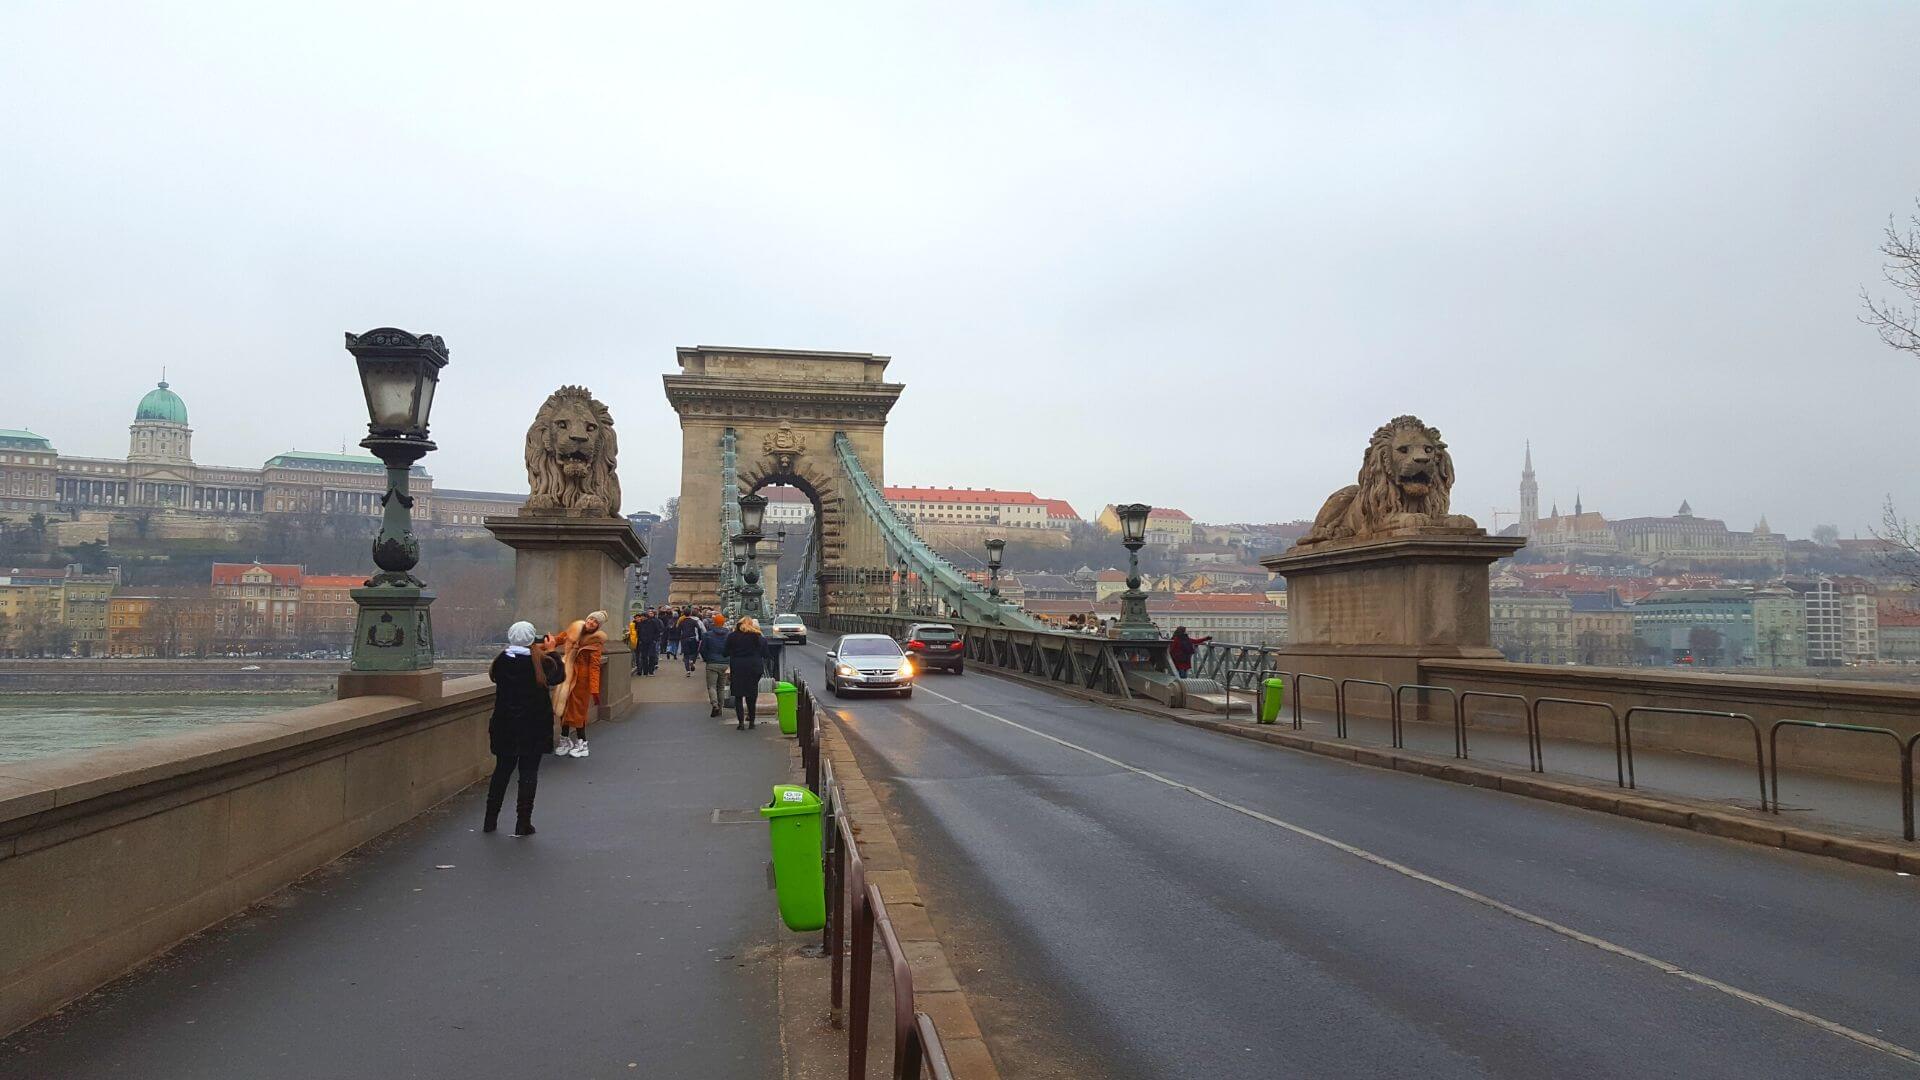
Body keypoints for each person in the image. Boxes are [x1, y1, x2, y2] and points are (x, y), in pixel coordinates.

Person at [485, 621, 564, 836]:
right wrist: (553, 651)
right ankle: (523, 822)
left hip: (505, 726)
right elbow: (559, 677)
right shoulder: (543, 662)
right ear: (532, 640)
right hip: (534, 728)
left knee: (501, 772)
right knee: (528, 774)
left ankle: (490, 820)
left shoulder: (500, 662)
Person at [550, 610, 608, 758]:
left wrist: (594, 689)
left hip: (581, 681)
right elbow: (557, 640)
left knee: (577, 713)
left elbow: (594, 666)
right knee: (563, 708)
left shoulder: (595, 642)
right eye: (591, 619)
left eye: (596, 622)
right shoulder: (574, 630)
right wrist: (540, 645)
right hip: (566, 675)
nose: (592, 622)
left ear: (598, 626)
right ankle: (565, 740)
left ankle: (582, 743)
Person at [726, 615, 766, 730]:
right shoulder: (758, 637)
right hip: (754, 668)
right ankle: (752, 721)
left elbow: (725, 652)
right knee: (751, 695)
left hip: (738, 668)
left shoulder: (732, 636)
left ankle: (741, 722)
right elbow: (766, 653)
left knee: (738, 696)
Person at [699, 612, 733, 718]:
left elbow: (702, 649)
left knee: (711, 686)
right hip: (725, 663)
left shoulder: (707, 635)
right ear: (723, 623)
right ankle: (720, 708)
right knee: (721, 687)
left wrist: (706, 659)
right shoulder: (729, 635)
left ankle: (714, 704)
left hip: (712, 663)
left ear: (714, 622)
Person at [636, 607, 663, 676]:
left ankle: (651, 671)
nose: (641, 618)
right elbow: (638, 633)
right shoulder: (640, 624)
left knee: (651, 656)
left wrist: (655, 640)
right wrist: (640, 640)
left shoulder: (653, 622)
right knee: (644, 657)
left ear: (646, 617)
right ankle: (645, 671)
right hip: (643, 642)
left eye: (642, 617)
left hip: (651, 641)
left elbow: (657, 631)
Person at [676, 608, 702, 676]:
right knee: (693, 652)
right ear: (690, 613)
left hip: (684, 638)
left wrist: (680, 638)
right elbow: (699, 628)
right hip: (692, 638)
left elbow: (678, 630)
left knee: (686, 655)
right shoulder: (694, 621)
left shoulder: (682, 621)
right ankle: (692, 661)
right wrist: (699, 637)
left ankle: (688, 671)